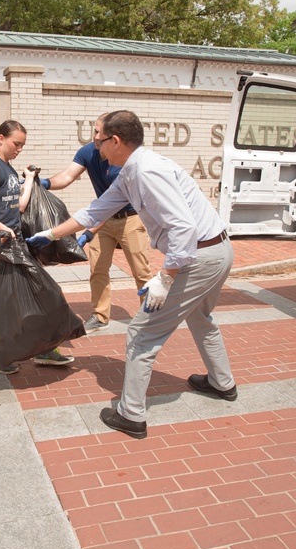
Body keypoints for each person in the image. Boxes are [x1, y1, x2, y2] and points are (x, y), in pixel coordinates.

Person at [28, 110, 236, 439]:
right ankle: (222, 382)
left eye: (98, 140)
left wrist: (164, 278)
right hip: (216, 251)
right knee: (201, 318)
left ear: (116, 141)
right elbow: (95, 211)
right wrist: (51, 234)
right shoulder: (130, 171)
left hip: (200, 256)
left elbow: (183, 228)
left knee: (141, 333)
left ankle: (131, 414)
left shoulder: (148, 171)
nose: (95, 147)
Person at [0, 120, 75, 374]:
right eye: (16, 143)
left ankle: (40, 349)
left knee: (29, 299)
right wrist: (2, 229)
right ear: (1, 138)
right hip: (0, 245)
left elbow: (19, 205)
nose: (19, 149)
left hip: (14, 243)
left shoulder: (7, 168)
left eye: (22, 145)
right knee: (9, 304)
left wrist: (28, 178)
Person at [41, 113, 152, 333]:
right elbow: (66, 177)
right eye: (94, 131)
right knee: (98, 269)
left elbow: (112, 203)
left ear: (113, 138)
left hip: (129, 219)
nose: (95, 136)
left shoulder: (123, 161)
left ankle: (149, 319)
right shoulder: (87, 152)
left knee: (141, 272)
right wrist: (43, 183)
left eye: (99, 132)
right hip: (103, 218)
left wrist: (89, 231)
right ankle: (100, 315)